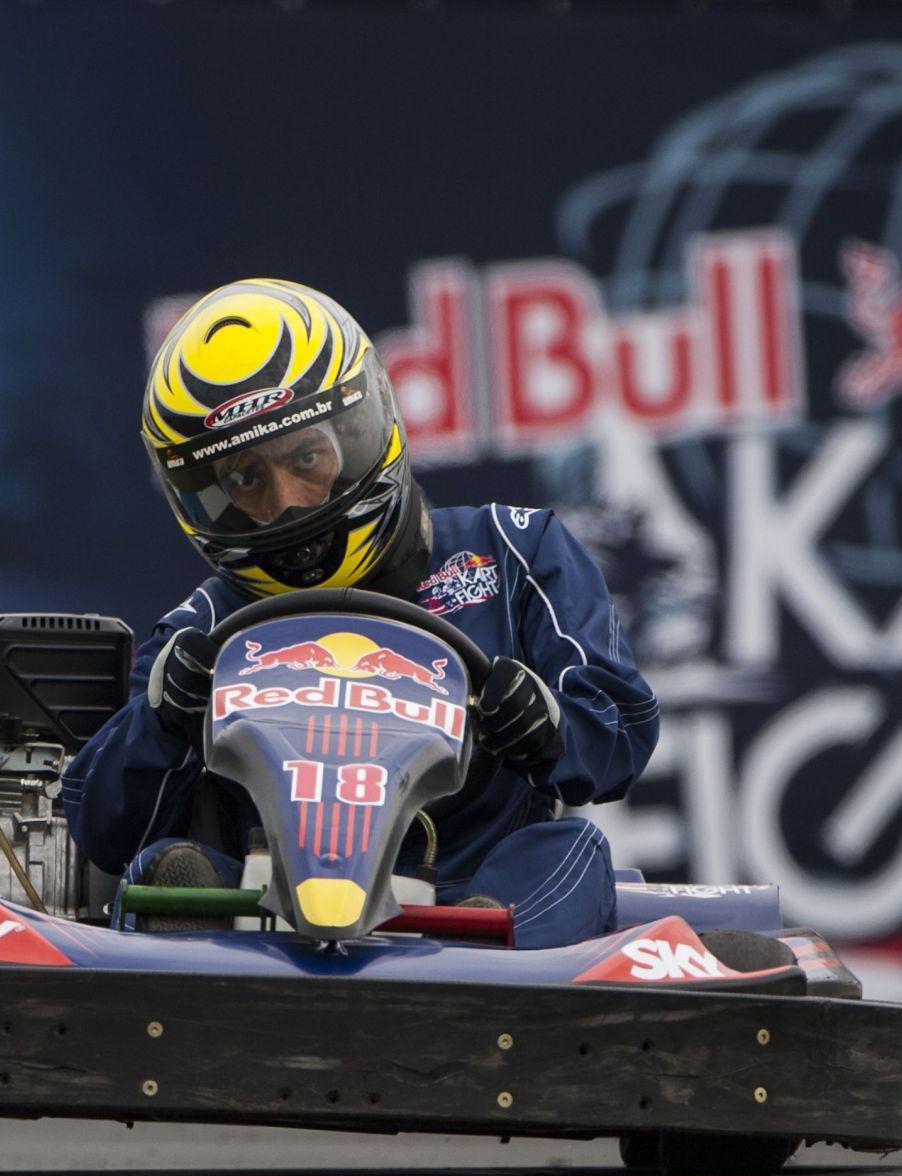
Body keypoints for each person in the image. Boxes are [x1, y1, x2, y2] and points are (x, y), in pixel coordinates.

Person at [63, 278, 659, 949]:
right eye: (245, 480)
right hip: (268, 916)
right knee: (161, 874)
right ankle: (216, 996)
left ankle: (476, 967)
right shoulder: (202, 629)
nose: (287, 504)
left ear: (364, 422)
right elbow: (104, 831)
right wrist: (162, 721)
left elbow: (620, 734)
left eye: (306, 458)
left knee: (570, 850)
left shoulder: (512, 550)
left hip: (476, 899)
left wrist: (549, 727)